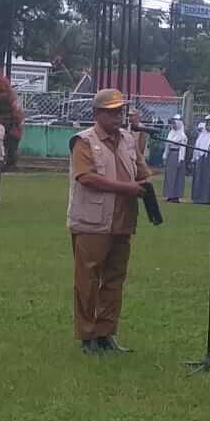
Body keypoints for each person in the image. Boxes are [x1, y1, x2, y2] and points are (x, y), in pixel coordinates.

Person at [67, 89, 150, 354]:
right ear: (96, 114)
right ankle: (87, 335)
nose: (118, 116)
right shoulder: (84, 141)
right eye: (111, 111)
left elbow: (141, 172)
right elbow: (86, 177)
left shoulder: (128, 139)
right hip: (92, 221)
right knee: (87, 279)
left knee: (114, 278)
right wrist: (126, 188)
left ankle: (106, 333)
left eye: (120, 111)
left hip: (122, 221)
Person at [190, 116, 210, 204]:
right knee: (199, 178)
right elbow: (197, 147)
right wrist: (194, 158)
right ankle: (198, 198)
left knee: (207, 179)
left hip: (209, 160)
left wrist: (208, 149)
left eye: (209, 125)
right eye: (206, 125)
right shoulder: (202, 136)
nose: (207, 127)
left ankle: (207, 199)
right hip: (200, 159)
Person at [162, 114, 187, 202]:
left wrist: (180, 159)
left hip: (177, 155)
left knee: (177, 176)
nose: (173, 125)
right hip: (170, 155)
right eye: (172, 124)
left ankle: (175, 196)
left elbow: (182, 149)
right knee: (169, 176)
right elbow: (167, 145)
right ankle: (169, 195)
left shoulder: (182, 136)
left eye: (175, 123)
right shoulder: (171, 133)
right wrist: (165, 156)